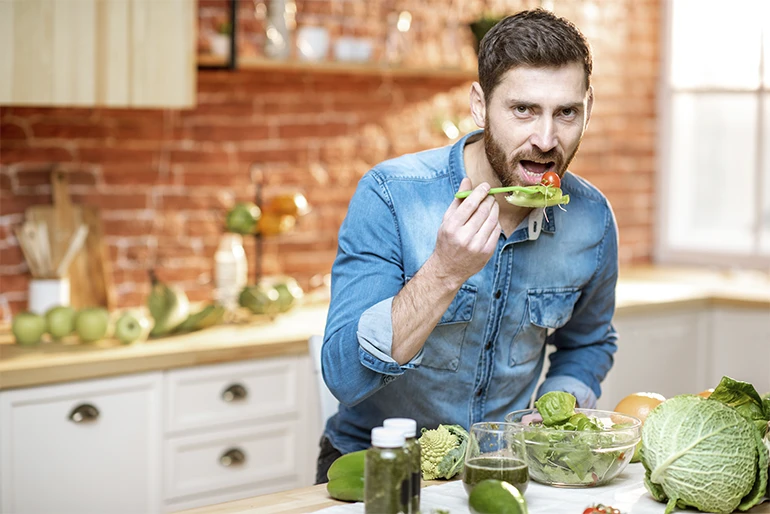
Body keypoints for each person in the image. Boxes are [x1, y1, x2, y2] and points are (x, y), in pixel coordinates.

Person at [315, 8, 619, 484]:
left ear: (588, 108)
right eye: (523, 110)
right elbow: (344, 377)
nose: (545, 139)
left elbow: (588, 342)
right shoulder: (391, 196)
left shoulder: (592, 218)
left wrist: (557, 404)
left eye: (566, 113)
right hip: (376, 465)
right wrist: (445, 271)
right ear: (480, 105)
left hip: (502, 468)